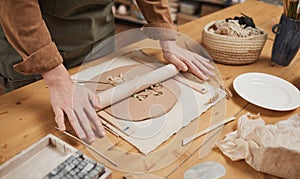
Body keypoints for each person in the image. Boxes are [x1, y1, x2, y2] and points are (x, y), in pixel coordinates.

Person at [0, 0, 215, 142]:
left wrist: (165, 33)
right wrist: (55, 75)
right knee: (39, 137)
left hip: (98, 35)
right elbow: (16, 5)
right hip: (32, 45)